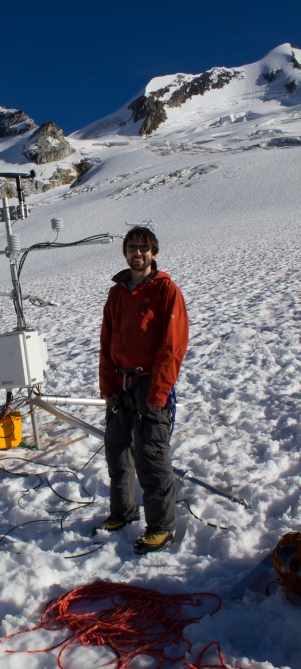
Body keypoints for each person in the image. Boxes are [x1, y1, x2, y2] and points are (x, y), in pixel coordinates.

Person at [99, 226, 189, 554]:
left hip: (150, 382)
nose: (137, 253)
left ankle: (161, 527)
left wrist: (160, 390)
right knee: (117, 451)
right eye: (131, 247)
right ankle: (123, 512)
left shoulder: (166, 290)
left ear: (153, 252)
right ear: (125, 252)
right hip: (120, 383)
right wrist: (107, 385)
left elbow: (173, 345)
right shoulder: (117, 293)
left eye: (143, 248)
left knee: (151, 454)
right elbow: (107, 340)